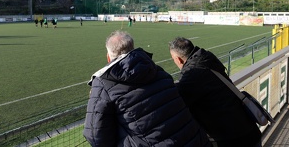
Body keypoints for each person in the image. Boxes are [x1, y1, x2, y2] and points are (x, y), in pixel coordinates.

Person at [83, 31, 211, 146]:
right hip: (196, 140)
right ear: (132, 49)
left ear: (108, 57)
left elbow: (95, 137)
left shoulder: (103, 83)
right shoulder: (158, 70)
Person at [168, 37, 262, 147]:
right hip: (248, 130)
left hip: (232, 139)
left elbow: (175, 101)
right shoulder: (207, 59)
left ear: (179, 59)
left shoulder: (193, 74)